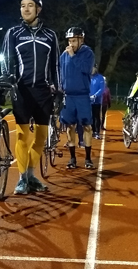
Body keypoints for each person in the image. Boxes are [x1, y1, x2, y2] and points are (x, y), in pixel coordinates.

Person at [1, 0, 60, 195]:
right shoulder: (13, 33)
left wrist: (58, 89)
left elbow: (56, 66)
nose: (25, 9)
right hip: (22, 91)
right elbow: (7, 62)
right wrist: (9, 82)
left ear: (38, 9)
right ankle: (22, 178)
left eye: (30, 5)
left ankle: (31, 176)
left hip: (44, 92)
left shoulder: (50, 35)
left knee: (42, 137)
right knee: (22, 137)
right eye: (23, 5)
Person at [59, 27, 95, 169]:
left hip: (82, 96)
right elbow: (60, 72)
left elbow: (86, 69)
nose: (71, 44)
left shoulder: (88, 53)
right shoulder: (64, 55)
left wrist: (73, 56)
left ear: (81, 40)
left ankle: (87, 158)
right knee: (70, 126)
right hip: (68, 96)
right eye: (69, 40)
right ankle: (72, 158)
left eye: (74, 40)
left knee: (87, 126)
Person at [90, 64, 105, 139]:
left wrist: (95, 95)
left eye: (93, 68)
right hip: (88, 101)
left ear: (95, 69)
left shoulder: (100, 77)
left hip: (97, 101)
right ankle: (92, 131)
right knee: (90, 117)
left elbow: (102, 89)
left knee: (96, 117)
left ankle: (97, 132)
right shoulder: (87, 77)